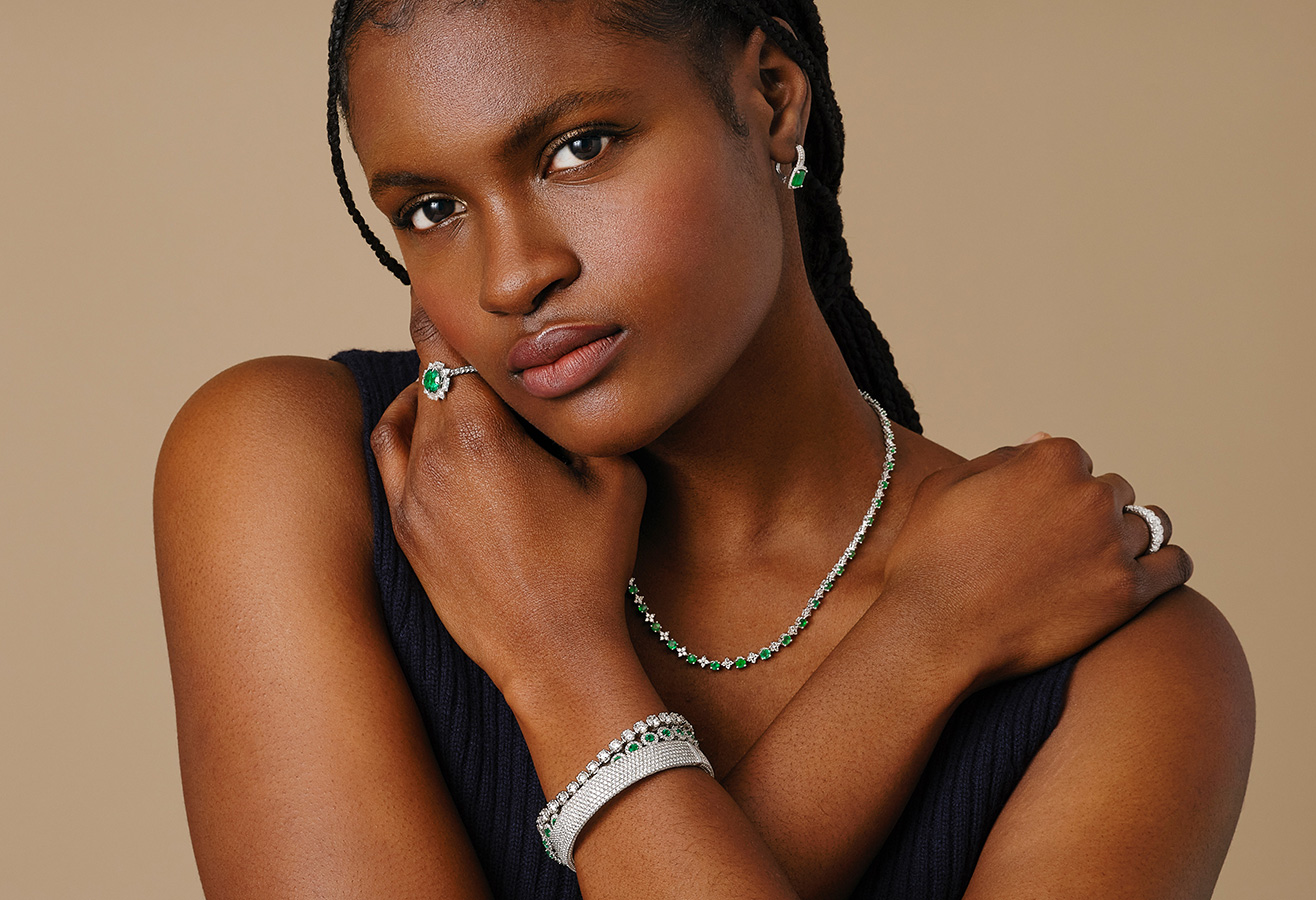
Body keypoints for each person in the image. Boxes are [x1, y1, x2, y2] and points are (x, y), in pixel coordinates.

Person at [152, 1, 1254, 897]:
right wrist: (917, 645)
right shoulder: (294, 472)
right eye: (433, 208)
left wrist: (560, 669)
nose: (509, 276)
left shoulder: (1117, 662)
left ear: (771, 97)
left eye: (578, 148)